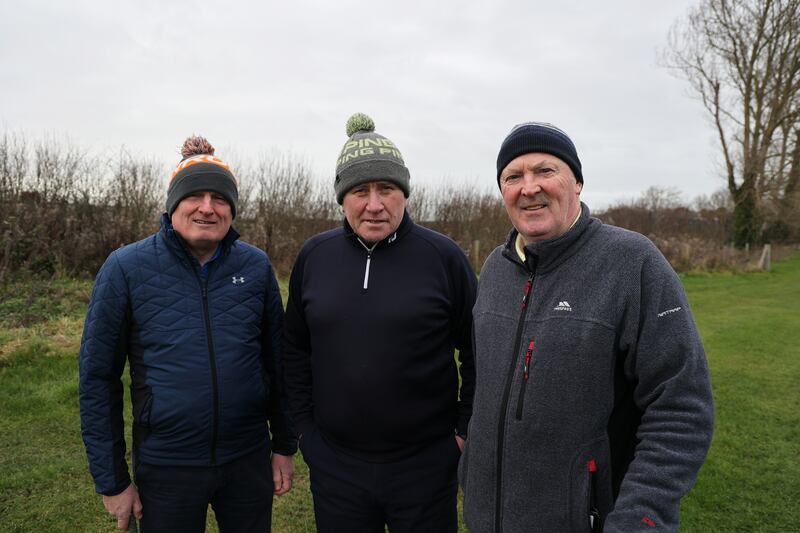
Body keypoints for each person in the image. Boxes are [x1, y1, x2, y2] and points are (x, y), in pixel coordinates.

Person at [460, 122, 714, 532]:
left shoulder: (632, 262)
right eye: (513, 176)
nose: (529, 188)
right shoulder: (494, 269)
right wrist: (469, 469)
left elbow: (682, 406)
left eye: (545, 171)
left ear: (577, 182)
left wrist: (640, 517)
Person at [79, 136, 296, 532]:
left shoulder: (257, 267)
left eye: (220, 198)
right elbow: (97, 378)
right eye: (195, 195)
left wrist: (283, 446)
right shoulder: (125, 268)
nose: (207, 208)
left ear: (232, 208)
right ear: (173, 204)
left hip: (247, 458)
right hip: (167, 465)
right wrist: (112, 479)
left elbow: (278, 362)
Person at [282, 113, 477, 533]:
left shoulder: (444, 258)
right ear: (341, 197)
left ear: (404, 193)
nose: (374, 204)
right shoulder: (315, 257)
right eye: (359, 190)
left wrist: (461, 434)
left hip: (425, 467)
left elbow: (478, 352)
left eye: (386, 188)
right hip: (336, 466)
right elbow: (294, 349)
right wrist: (305, 433)